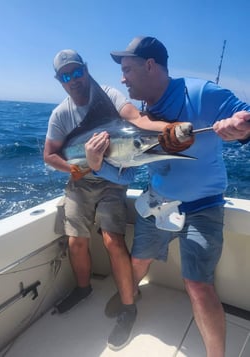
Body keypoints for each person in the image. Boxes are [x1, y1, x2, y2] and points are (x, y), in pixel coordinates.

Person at [84, 36, 250, 357]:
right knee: (136, 263)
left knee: (199, 288)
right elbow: (129, 173)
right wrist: (96, 165)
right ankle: (129, 305)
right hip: (157, 204)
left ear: (150, 65)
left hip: (204, 207)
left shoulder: (201, 93)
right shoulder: (143, 114)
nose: (122, 78)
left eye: (128, 69)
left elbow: (245, 118)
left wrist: (241, 127)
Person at [43, 48, 193, 350]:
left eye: (77, 71)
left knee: (113, 240)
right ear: (60, 81)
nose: (73, 79)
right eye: (65, 76)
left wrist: (169, 130)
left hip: (112, 182)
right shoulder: (61, 114)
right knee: (76, 241)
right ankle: (83, 289)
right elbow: (49, 156)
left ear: (86, 69)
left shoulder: (111, 95)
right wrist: (76, 166)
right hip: (81, 179)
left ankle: (128, 307)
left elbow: (137, 119)